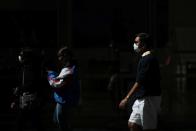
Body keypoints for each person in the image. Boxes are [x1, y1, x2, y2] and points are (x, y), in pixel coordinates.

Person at [119, 33, 161, 131]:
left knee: (148, 128)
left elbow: (140, 81)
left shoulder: (148, 59)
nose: (134, 44)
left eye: (136, 42)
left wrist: (126, 98)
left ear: (144, 45)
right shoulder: (144, 58)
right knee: (132, 124)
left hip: (148, 99)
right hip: (141, 98)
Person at [10, 47, 45, 131]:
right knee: (24, 123)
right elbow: (22, 84)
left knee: (31, 123)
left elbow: (33, 84)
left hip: (31, 101)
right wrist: (16, 100)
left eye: (22, 55)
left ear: (27, 58)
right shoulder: (23, 69)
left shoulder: (33, 69)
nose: (20, 57)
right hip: (24, 100)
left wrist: (19, 89)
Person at [47, 46, 80, 131]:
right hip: (63, 100)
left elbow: (57, 84)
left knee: (62, 125)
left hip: (64, 101)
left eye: (61, 56)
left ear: (67, 56)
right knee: (56, 121)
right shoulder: (69, 68)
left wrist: (50, 75)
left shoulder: (70, 70)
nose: (59, 58)